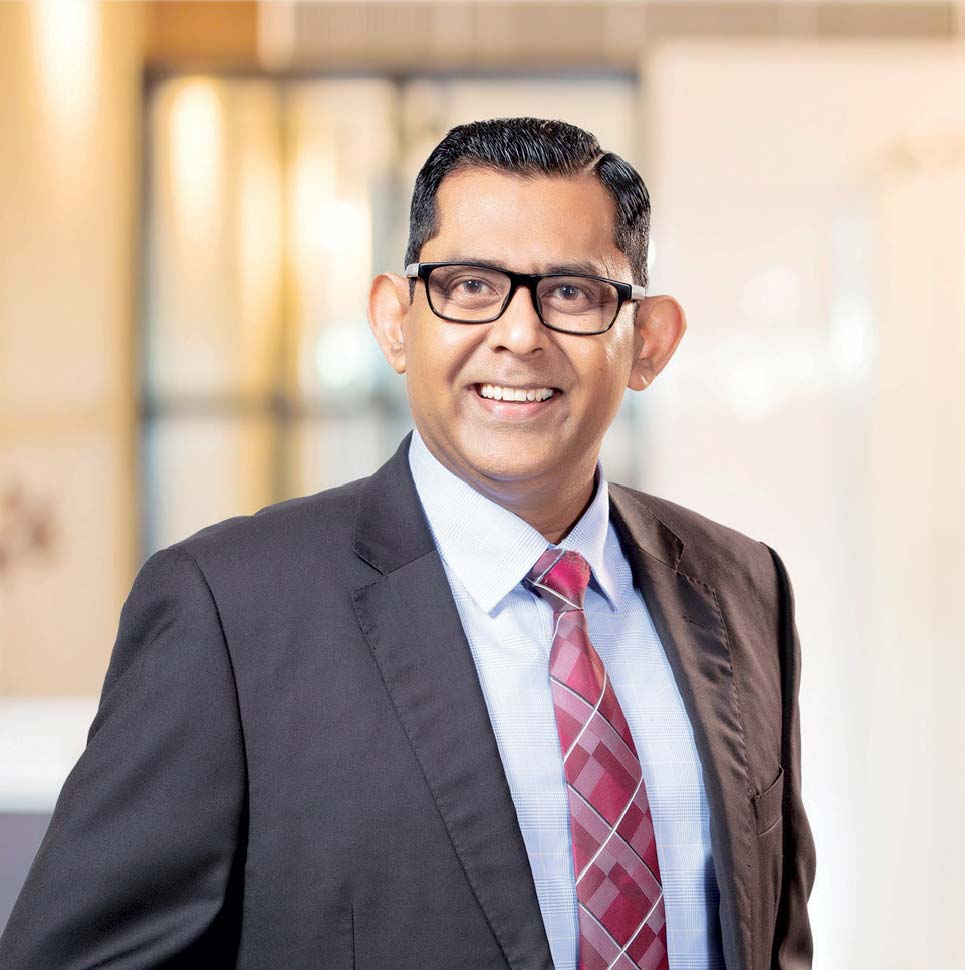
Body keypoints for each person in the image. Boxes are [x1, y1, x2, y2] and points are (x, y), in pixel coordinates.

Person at [0, 117, 815, 970]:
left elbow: (776, 938)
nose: (520, 335)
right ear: (395, 321)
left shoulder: (743, 588)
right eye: (470, 285)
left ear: (648, 342)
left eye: (572, 292)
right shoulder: (229, 612)